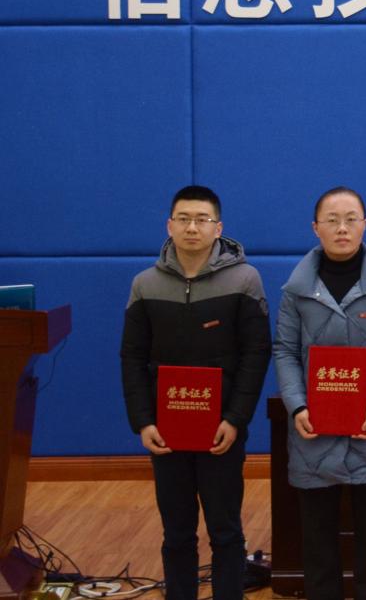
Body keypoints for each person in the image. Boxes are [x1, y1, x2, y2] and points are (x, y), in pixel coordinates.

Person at [119, 185, 271, 600]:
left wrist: (235, 419)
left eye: (202, 220)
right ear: (169, 225)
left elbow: (256, 354)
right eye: (183, 219)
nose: (192, 228)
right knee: (177, 532)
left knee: (226, 531)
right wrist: (143, 422)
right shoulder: (145, 284)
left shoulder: (245, 280)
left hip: (222, 431)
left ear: (218, 228)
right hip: (166, 432)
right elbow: (132, 357)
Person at [272, 187, 366, 600]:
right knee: (317, 542)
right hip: (313, 429)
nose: (342, 228)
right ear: (315, 228)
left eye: (351, 219)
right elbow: (284, 351)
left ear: (365, 225)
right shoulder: (296, 288)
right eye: (332, 220)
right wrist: (297, 405)